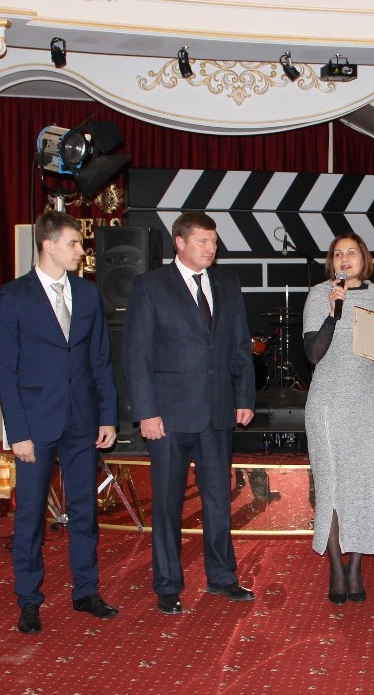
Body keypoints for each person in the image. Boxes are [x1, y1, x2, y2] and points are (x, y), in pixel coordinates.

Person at [0, 211, 119, 634]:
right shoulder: (14, 296)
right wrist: (18, 433)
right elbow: (5, 371)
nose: (81, 251)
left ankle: (86, 591)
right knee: (30, 514)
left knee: (85, 510)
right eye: (73, 243)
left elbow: (101, 359)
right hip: (35, 424)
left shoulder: (87, 293)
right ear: (48, 245)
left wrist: (107, 416)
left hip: (82, 420)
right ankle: (29, 599)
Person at [124, 211, 257, 615]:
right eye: (203, 241)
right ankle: (167, 584)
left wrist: (244, 397)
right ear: (179, 243)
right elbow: (137, 355)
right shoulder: (150, 286)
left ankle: (222, 576)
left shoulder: (228, 285)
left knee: (218, 500)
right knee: (167, 505)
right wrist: (146, 412)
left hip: (217, 412)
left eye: (214, 241)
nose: (211, 248)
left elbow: (239, 347)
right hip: (168, 416)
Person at [302, 234, 374, 605]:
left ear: (363, 259)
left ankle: (355, 568)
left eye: (351, 252)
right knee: (332, 485)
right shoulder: (318, 294)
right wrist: (332, 311)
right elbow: (313, 354)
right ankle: (336, 570)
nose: (344, 259)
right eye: (337, 254)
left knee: (364, 485)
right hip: (327, 402)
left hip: (368, 401)